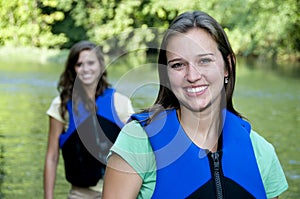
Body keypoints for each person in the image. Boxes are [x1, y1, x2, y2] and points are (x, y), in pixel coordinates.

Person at [102, 11, 288, 199]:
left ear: (227, 66)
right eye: (177, 65)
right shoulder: (137, 141)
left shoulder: (260, 151)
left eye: (205, 60)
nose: (192, 76)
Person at [44, 41, 134, 199]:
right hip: (79, 195)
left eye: (91, 63)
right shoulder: (61, 105)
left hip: (116, 194)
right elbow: (52, 157)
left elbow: (137, 154)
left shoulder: (120, 103)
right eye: (79, 64)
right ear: (73, 68)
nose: (86, 69)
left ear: (100, 65)